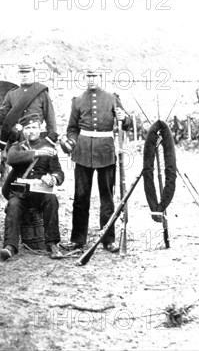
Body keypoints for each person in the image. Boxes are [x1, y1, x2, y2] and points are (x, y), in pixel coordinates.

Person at [60, 60, 132, 253]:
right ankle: (77, 240)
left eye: (95, 76)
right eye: (88, 76)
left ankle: (108, 239)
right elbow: (72, 129)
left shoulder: (112, 98)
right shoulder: (77, 100)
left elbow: (128, 123)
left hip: (106, 152)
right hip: (82, 153)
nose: (91, 80)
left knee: (107, 197)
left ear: (101, 77)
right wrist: (73, 142)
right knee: (80, 197)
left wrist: (124, 118)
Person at [0, 115, 64, 260]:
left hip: (40, 194)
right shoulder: (17, 146)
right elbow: (11, 158)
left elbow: (58, 172)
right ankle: (10, 246)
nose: (31, 131)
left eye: (34, 127)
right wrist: (37, 153)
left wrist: (53, 178)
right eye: (27, 128)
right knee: (13, 205)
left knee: (52, 200)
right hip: (21, 194)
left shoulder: (49, 148)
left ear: (40, 129)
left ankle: (52, 244)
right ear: (23, 131)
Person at [0, 62, 57, 151]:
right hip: (16, 138)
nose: (24, 75)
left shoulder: (42, 93)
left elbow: (50, 117)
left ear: (33, 73)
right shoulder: (11, 94)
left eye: (27, 72)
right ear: (18, 74)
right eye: (22, 73)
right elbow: (2, 116)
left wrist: (51, 139)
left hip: (37, 139)